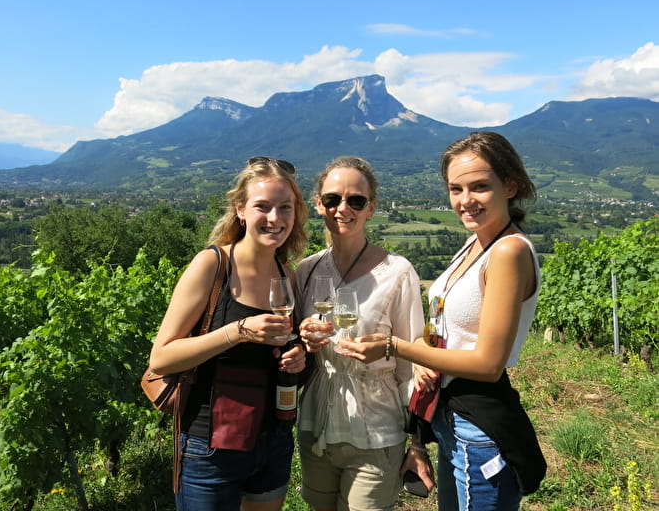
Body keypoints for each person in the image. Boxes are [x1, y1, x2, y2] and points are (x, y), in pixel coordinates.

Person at [342, 132, 547, 511]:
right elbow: (442, 333)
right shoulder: (476, 242)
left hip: (478, 424)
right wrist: (421, 353)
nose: (465, 201)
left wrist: (396, 347)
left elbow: (487, 364)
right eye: (456, 189)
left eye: (480, 187)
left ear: (510, 185)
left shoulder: (509, 252)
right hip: (451, 415)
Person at [149, 156, 309, 511]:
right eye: (262, 207)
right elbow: (161, 357)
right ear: (240, 210)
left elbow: (282, 351)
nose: (275, 218)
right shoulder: (212, 265)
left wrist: (298, 357)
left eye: (285, 208)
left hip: (273, 439)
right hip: (211, 446)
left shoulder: (288, 275)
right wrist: (237, 331)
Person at [296, 156, 434, 511]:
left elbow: (413, 362)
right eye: (332, 199)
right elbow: (292, 348)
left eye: (355, 200)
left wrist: (417, 443)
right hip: (316, 424)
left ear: (371, 208)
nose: (342, 208)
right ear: (318, 205)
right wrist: (303, 339)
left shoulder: (398, 273)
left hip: (375, 430)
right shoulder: (306, 271)